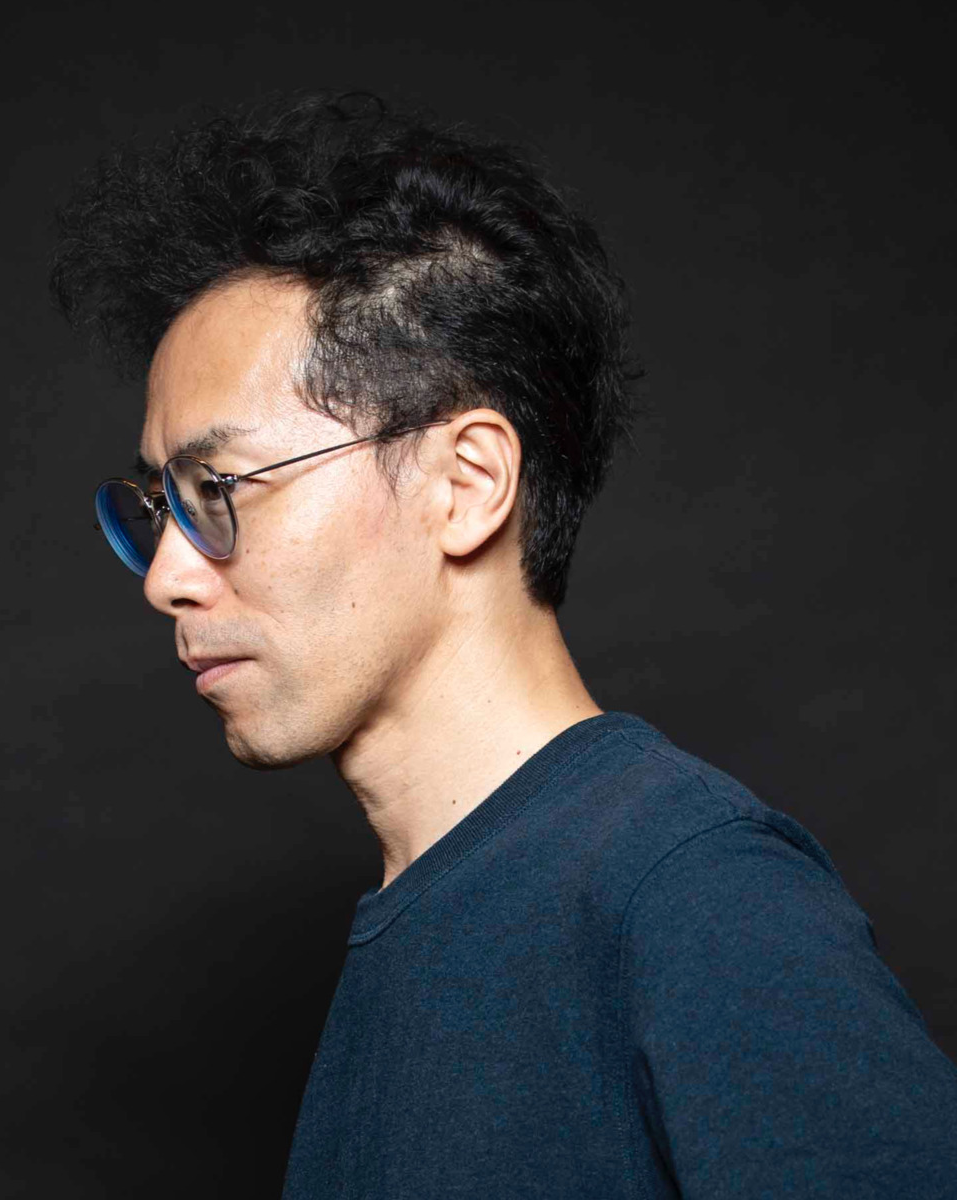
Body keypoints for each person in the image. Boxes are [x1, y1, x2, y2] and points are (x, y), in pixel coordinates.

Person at [50, 93, 957, 1197]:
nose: (165, 577)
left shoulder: (692, 895)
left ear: (466, 484)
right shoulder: (428, 923)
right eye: (159, 508)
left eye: (219, 489)